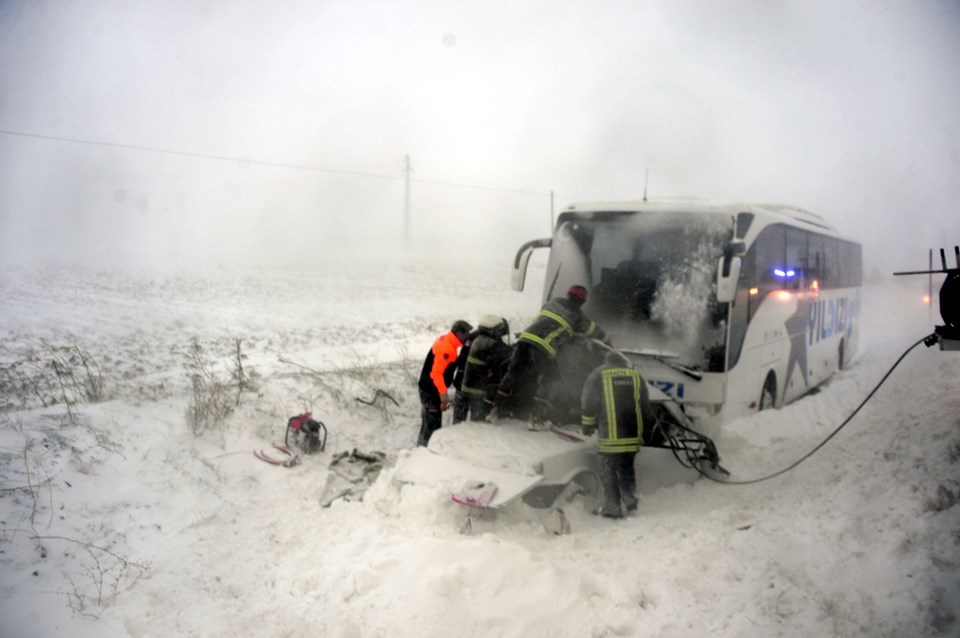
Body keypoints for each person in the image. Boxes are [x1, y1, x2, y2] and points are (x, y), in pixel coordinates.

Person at [496, 284, 608, 423]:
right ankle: (536, 419)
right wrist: (607, 340)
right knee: (549, 378)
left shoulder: (552, 302)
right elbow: (592, 330)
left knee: (513, 372)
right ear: (582, 302)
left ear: (568, 294)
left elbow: (543, 319)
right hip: (544, 345)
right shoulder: (578, 315)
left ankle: (495, 411)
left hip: (525, 339)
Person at [580, 350, 658, 519]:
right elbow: (645, 406)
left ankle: (612, 507)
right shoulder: (636, 375)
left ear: (607, 360)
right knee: (626, 467)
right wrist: (649, 428)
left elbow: (588, 401)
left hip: (611, 434)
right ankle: (630, 500)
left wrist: (587, 424)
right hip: (632, 434)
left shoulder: (599, 373)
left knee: (608, 468)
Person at [417, 320, 472, 446]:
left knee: (428, 422)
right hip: (431, 391)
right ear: (458, 333)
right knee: (432, 426)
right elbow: (436, 374)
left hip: (429, 388)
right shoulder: (446, 349)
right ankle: (423, 455)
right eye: (466, 334)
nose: (468, 336)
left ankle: (420, 449)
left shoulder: (448, 341)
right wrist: (443, 396)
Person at [458, 314, 512, 422]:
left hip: (470, 388)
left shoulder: (479, 339)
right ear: (492, 330)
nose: (500, 334)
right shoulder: (488, 343)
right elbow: (506, 353)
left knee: (469, 422)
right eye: (499, 330)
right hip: (477, 391)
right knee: (478, 424)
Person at [451, 324, 481, 424]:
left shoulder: (470, 338)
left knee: (458, 419)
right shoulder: (488, 342)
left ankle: (455, 433)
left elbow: (461, 360)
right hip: (475, 386)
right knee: (476, 422)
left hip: (461, 381)